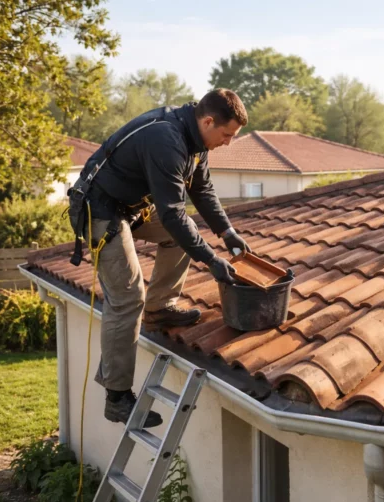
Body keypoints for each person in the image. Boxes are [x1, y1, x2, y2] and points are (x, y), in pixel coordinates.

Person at [67, 89, 251, 428]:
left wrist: (226, 232)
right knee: (126, 297)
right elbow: (171, 213)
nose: (227, 143)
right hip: (100, 210)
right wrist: (211, 260)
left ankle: (160, 308)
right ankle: (117, 397)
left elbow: (202, 190)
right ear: (208, 121)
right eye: (226, 135)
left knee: (183, 237)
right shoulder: (166, 138)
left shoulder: (196, 140)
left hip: (131, 209)